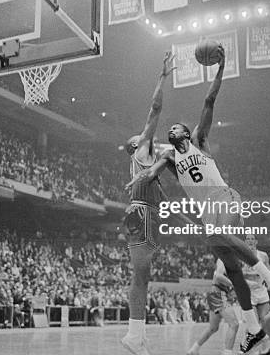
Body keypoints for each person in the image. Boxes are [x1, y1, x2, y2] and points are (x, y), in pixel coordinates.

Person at [125, 47, 270, 353]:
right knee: (233, 270)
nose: (172, 128)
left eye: (176, 127)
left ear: (186, 132)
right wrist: (144, 175)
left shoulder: (199, 141)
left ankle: (269, 278)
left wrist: (220, 68)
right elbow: (156, 167)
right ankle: (252, 328)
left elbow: (209, 100)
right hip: (207, 212)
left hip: (223, 197)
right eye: (169, 129)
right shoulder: (169, 156)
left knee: (218, 235)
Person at [120, 52, 175, 355]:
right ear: (134, 145)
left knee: (144, 275)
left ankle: (136, 335)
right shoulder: (140, 151)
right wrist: (162, 77)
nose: (145, 136)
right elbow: (155, 109)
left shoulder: (148, 162)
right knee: (139, 273)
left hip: (148, 213)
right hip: (140, 213)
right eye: (139, 136)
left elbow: (161, 191)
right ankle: (133, 334)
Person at [187, 258, 239, 355]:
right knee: (234, 324)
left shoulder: (234, 262)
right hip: (219, 294)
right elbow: (218, 276)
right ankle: (227, 353)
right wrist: (234, 284)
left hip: (217, 294)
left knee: (213, 328)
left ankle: (194, 349)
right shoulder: (223, 259)